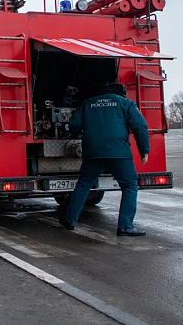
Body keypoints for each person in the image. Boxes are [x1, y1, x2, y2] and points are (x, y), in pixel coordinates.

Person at [59, 82, 150, 236]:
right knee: (129, 186)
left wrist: (78, 134)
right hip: (119, 153)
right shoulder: (126, 103)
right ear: (121, 92)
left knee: (83, 185)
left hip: (92, 152)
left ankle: (69, 220)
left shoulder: (88, 103)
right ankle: (125, 226)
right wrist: (144, 150)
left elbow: (74, 124)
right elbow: (140, 127)